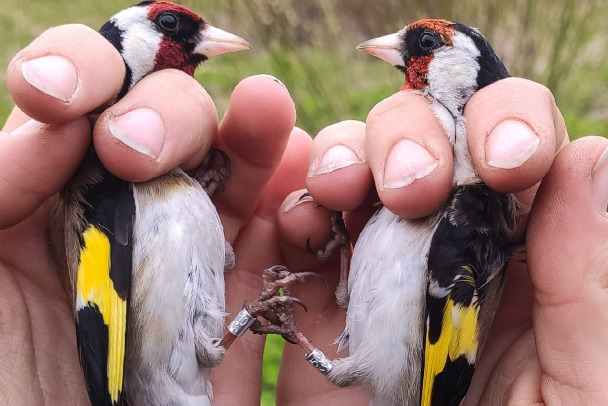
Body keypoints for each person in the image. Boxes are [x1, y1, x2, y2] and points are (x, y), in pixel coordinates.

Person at [0, 24, 606, 406]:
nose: (400, 50)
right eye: (175, 28)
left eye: (423, 46)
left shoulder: (475, 210)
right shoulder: (91, 178)